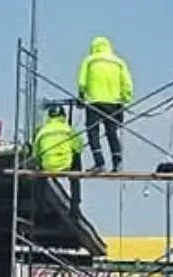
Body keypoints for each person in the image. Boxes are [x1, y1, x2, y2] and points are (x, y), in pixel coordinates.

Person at [77, 36, 134, 172]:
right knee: (112, 132)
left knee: (93, 132)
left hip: (94, 101)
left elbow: (82, 82)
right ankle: (117, 162)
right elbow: (127, 85)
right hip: (114, 102)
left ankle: (99, 162)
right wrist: (125, 99)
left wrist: (81, 96)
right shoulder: (119, 62)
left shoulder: (90, 60)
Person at [32, 103, 84, 208]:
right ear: (63, 115)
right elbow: (78, 148)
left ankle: (40, 203)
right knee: (76, 160)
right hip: (65, 165)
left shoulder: (42, 131)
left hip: (48, 166)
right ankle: (75, 204)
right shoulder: (68, 129)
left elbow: (35, 153)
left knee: (38, 171)